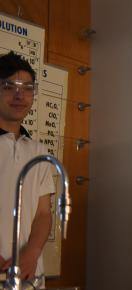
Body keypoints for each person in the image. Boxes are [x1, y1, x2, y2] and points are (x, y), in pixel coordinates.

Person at [0, 51, 55, 282]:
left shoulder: (39, 152)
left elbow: (44, 213)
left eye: (28, 87)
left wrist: (31, 254)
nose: (19, 95)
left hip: (28, 274)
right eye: (8, 86)